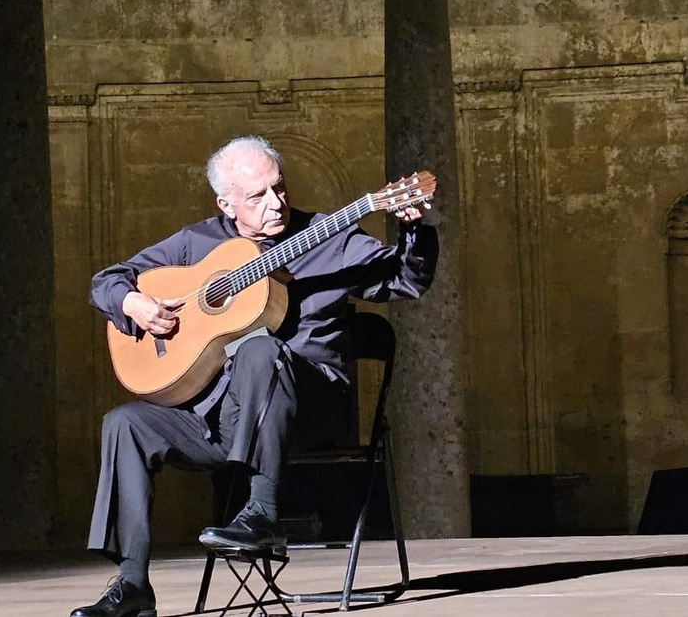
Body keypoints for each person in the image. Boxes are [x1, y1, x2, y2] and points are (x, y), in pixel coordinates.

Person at [71, 135, 437, 617]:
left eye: (279, 188)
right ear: (226, 203)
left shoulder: (329, 237)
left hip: (305, 412)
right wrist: (133, 302)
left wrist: (414, 233)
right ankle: (133, 583)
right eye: (257, 196)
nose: (276, 203)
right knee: (125, 424)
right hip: (221, 417)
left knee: (262, 348)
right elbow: (108, 280)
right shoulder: (199, 242)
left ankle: (261, 511)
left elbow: (407, 280)